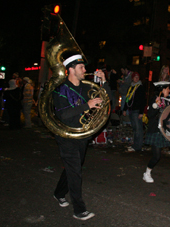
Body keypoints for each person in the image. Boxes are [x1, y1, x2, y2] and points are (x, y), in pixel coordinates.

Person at [52, 54, 105, 221]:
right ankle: (79, 210)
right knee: (75, 172)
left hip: (82, 136)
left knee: (73, 168)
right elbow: (63, 114)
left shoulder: (86, 87)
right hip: (67, 137)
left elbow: (106, 100)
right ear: (71, 70)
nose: (85, 70)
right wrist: (86, 105)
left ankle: (59, 193)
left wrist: (104, 83)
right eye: (81, 67)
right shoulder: (61, 89)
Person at [123, 72, 146, 152]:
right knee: (135, 129)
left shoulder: (140, 87)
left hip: (137, 110)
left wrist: (141, 112)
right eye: (135, 77)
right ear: (132, 78)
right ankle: (135, 145)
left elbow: (143, 100)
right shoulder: (130, 87)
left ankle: (137, 146)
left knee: (138, 129)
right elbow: (127, 99)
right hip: (131, 110)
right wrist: (124, 109)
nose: (136, 78)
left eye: (137, 77)